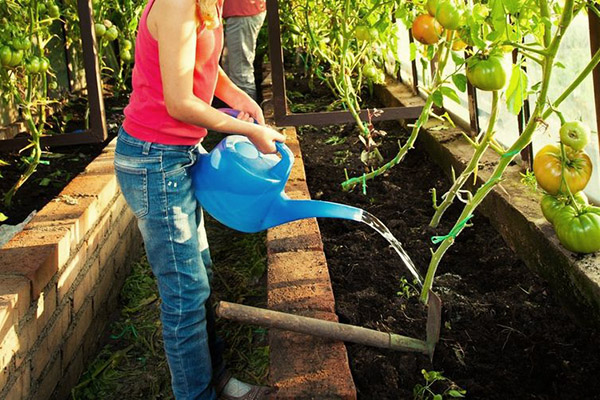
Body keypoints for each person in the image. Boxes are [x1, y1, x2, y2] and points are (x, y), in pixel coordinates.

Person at [113, 0, 285, 399]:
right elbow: (179, 102)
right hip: (154, 160)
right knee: (185, 292)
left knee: (199, 279)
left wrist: (239, 97)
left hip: (177, 153)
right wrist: (248, 131)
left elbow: (201, 62)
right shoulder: (176, 3)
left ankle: (215, 381)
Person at [222, 0, 266, 101]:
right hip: (241, 12)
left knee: (240, 73)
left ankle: (248, 114)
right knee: (230, 68)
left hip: (242, 12)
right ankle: (240, 113)